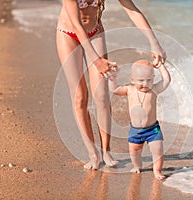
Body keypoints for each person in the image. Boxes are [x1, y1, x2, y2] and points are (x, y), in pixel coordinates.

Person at [56, 0, 166, 170]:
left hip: (95, 32)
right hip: (68, 34)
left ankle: (106, 151)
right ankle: (92, 152)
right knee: (80, 97)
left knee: (101, 95)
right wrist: (97, 61)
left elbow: (132, 10)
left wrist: (154, 42)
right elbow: (77, 25)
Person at [109, 60, 171, 180]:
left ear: (153, 78)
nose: (145, 84)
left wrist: (161, 67)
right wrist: (112, 78)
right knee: (134, 151)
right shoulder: (129, 90)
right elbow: (115, 89)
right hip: (135, 130)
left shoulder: (154, 90)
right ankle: (137, 166)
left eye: (149, 80)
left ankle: (157, 170)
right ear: (132, 79)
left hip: (153, 129)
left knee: (157, 151)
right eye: (141, 80)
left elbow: (167, 81)